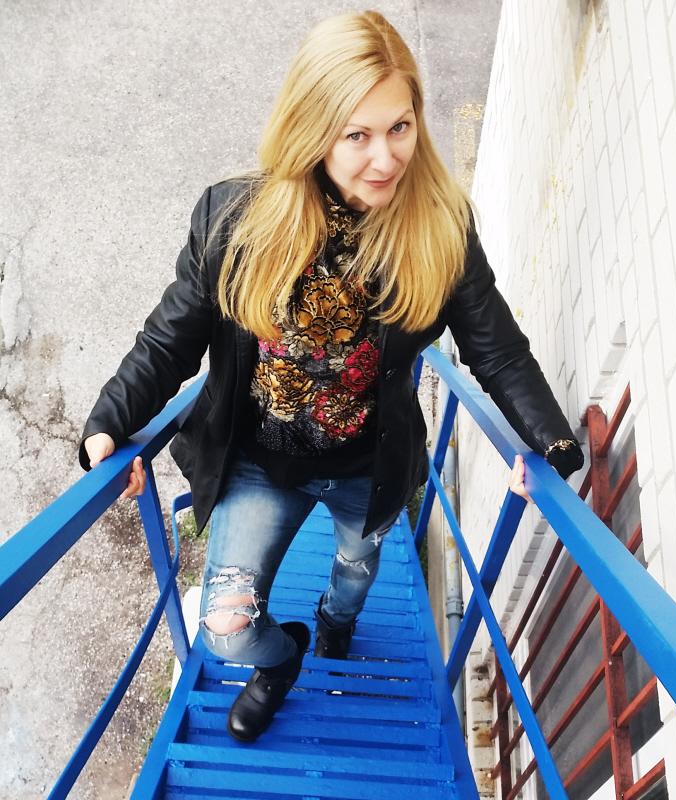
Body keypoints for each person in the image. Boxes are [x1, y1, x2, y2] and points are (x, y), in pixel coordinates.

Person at [80, 11, 583, 743]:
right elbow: (170, 338)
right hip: (257, 462)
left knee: (353, 575)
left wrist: (550, 442)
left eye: (400, 127)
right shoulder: (236, 220)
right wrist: (109, 423)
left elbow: (496, 349)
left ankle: (335, 623)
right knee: (225, 630)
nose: (386, 157)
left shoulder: (439, 228)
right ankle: (283, 659)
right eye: (357, 135)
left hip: (366, 468)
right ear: (313, 130)